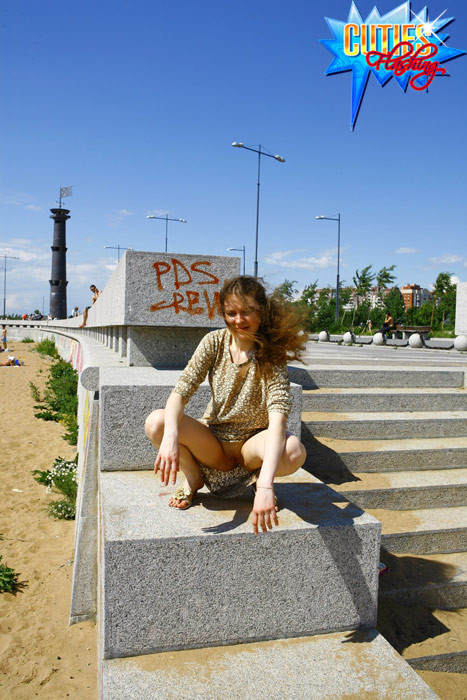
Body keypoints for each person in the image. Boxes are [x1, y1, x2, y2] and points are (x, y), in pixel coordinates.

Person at [145, 276, 307, 535]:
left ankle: (257, 482)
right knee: (157, 423)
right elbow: (181, 391)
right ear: (222, 313)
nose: (239, 320)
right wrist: (170, 437)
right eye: (231, 313)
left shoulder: (271, 353)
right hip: (214, 445)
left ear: (261, 312)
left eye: (247, 312)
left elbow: (279, 416)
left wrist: (267, 486)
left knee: (294, 450)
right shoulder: (214, 342)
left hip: (251, 449)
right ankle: (194, 479)